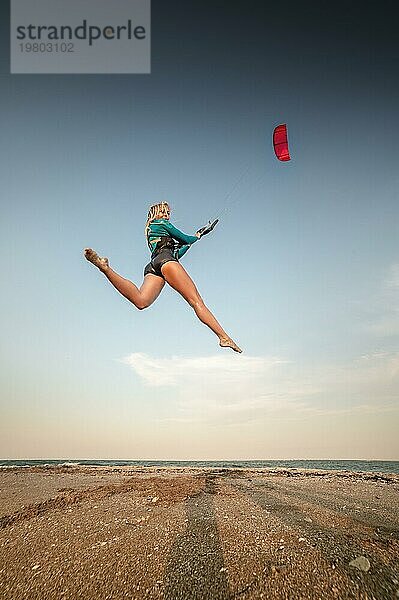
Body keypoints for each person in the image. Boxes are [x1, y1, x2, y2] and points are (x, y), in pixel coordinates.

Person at [84, 201, 242, 352]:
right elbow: (185, 239)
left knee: (141, 301)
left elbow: (178, 252)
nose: (166, 215)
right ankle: (223, 337)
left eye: (167, 213)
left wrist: (191, 240)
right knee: (196, 301)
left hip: (155, 265)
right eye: (162, 212)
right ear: (154, 214)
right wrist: (198, 235)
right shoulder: (160, 223)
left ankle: (105, 268)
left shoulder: (151, 230)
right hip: (167, 262)